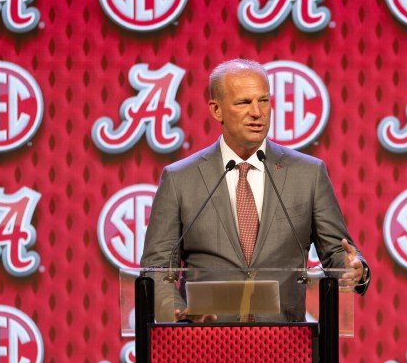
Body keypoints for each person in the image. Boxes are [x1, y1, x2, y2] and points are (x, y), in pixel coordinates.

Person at [140, 58, 369, 321]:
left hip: (286, 347)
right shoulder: (180, 178)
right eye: (243, 103)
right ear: (217, 110)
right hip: (203, 346)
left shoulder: (308, 174)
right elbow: (156, 268)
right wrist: (181, 317)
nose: (257, 112)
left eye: (263, 100)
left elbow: (337, 252)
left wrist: (354, 268)